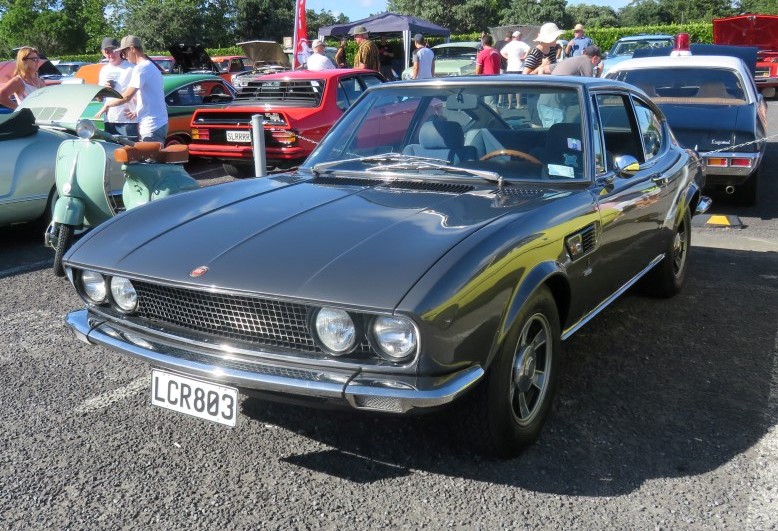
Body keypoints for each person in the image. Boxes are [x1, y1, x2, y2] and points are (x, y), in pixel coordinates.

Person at [96, 35, 168, 144]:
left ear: (132, 49)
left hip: (150, 124)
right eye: (107, 51)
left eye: (124, 52)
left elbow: (127, 96)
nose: (124, 56)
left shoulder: (140, 68)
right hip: (154, 123)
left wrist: (107, 105)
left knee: (143, 155)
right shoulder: (148, 66)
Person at [536, 46, 603, 127]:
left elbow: (542, 69)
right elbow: (590, 88)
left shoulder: (569, 60)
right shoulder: (587, 62)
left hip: (544, 102)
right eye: (598, 62)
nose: (596, 65)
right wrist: (599, 73)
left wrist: (542, 87)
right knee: (556, 133)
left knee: (555, 131)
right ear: (595, 58)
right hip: (554, 106)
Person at [97, 37, 138, 140]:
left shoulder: (131, 68)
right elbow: (99, 99)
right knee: (111, 149)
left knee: (129, 149)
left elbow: (142, 93)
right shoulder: (104, 70)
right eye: (107, 51)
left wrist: (137, 110)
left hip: (127, 121)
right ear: (103, 52)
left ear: (120, 50)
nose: (111, 54)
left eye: (114, 50)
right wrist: (102, 90)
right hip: (109, 119)